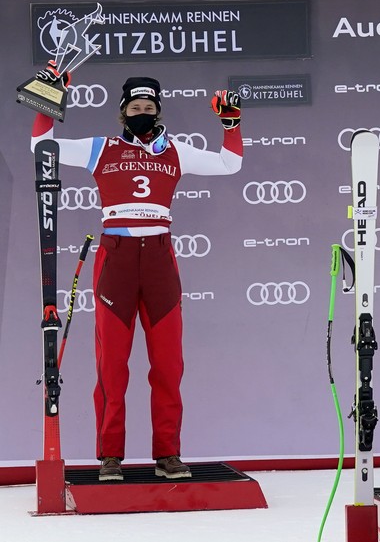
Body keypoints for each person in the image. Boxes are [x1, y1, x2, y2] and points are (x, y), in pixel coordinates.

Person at [29, 62, 243, 481]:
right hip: (117, 258)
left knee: (168, 365)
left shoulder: (176, 151)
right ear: (123, 112)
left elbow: (230, 163)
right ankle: (111, 456)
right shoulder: (100, 147)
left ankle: (168, 454)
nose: (141, 111)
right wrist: (48, 96)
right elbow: (41, 146)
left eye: (148, 105)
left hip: (160, 257)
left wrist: (231, 124)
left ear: (158, 110)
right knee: (112, 366)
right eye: (134, 106)